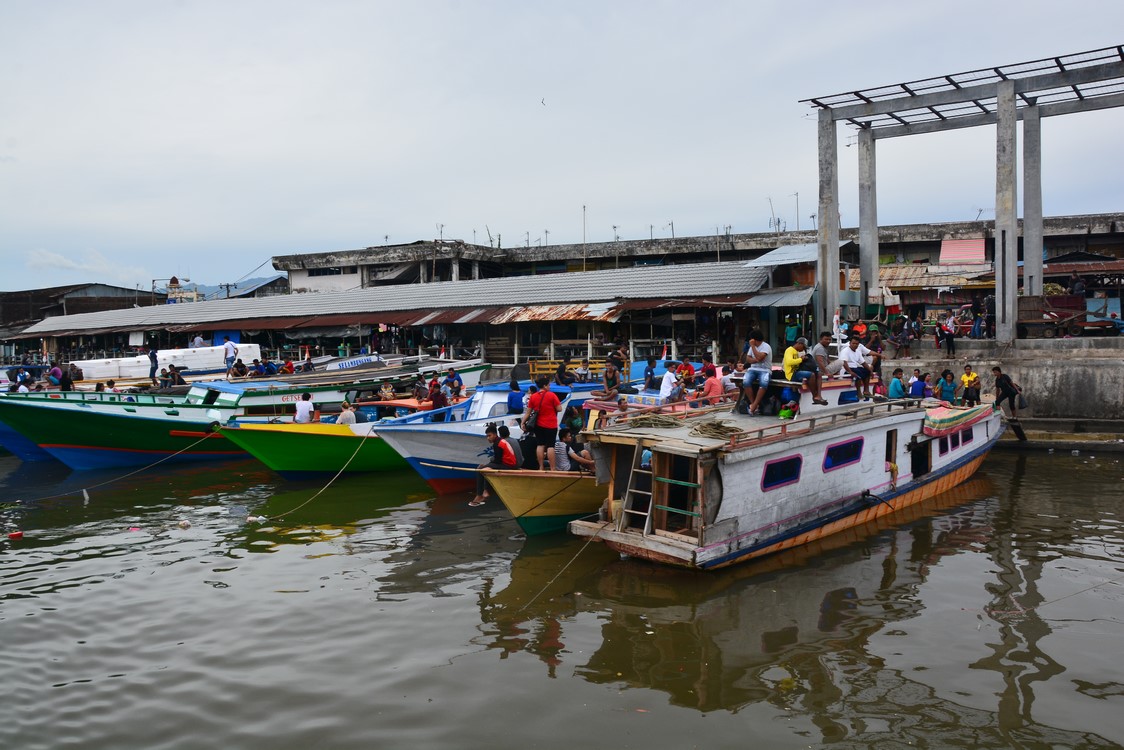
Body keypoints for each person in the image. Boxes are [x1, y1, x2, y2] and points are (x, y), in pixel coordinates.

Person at [470, 424, 519, 506]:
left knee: (480, 470)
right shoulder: (499, 441)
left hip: (509, 465)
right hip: (507, 463)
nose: (488, 438)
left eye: (489, 435)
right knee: (484, 467)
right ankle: (484, 491)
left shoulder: (498, 444)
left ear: (495, 435)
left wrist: (487, 466)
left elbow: (497, 461)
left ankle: (480, 494)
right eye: (487, 436)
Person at [522, 376, 562, 470]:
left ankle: (541, 466)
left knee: (540, 445)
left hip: (538, 425)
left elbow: (528, 412)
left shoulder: (533, 397)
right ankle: (552, 468)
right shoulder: (552, 395)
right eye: (548, 385)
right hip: (551, 424)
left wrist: (523, 423)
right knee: (550, 446)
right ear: (544, 386)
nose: (550, 386)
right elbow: (559, 408)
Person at [783, 337, 828, 405]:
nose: (803, 349)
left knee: (818, 374)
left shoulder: (796, 351)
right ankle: (814, 396)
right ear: (799, 344)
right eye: (803, 347)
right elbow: (789, 362)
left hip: (797, 371)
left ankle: (819, 395)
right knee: (811, 375)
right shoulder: (789, 350)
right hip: (791, 374)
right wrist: (801, 359)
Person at [742, 330, 773, 416]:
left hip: (765, 369)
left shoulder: (766, 347)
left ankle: (754, 405)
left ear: (754, 339)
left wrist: (753, 347)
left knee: (764, 382)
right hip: (753, 369)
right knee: (746, 381)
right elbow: (748, 359)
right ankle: (754, 404)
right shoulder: (752, 347)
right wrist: (756, 360)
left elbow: (760, 357)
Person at [840, 335, 874, 401]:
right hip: (847, 368)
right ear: (850, 343)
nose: (855, 345)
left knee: (867, 372)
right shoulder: (845, 351)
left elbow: (863, 363)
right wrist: (850, 372)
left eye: (856, 344)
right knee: (858, 376)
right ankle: (858, 392)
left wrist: (870, 371)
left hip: (855, 367)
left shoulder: (858, 351)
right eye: (853, 343)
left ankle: (866, 391)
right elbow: (844, 363)